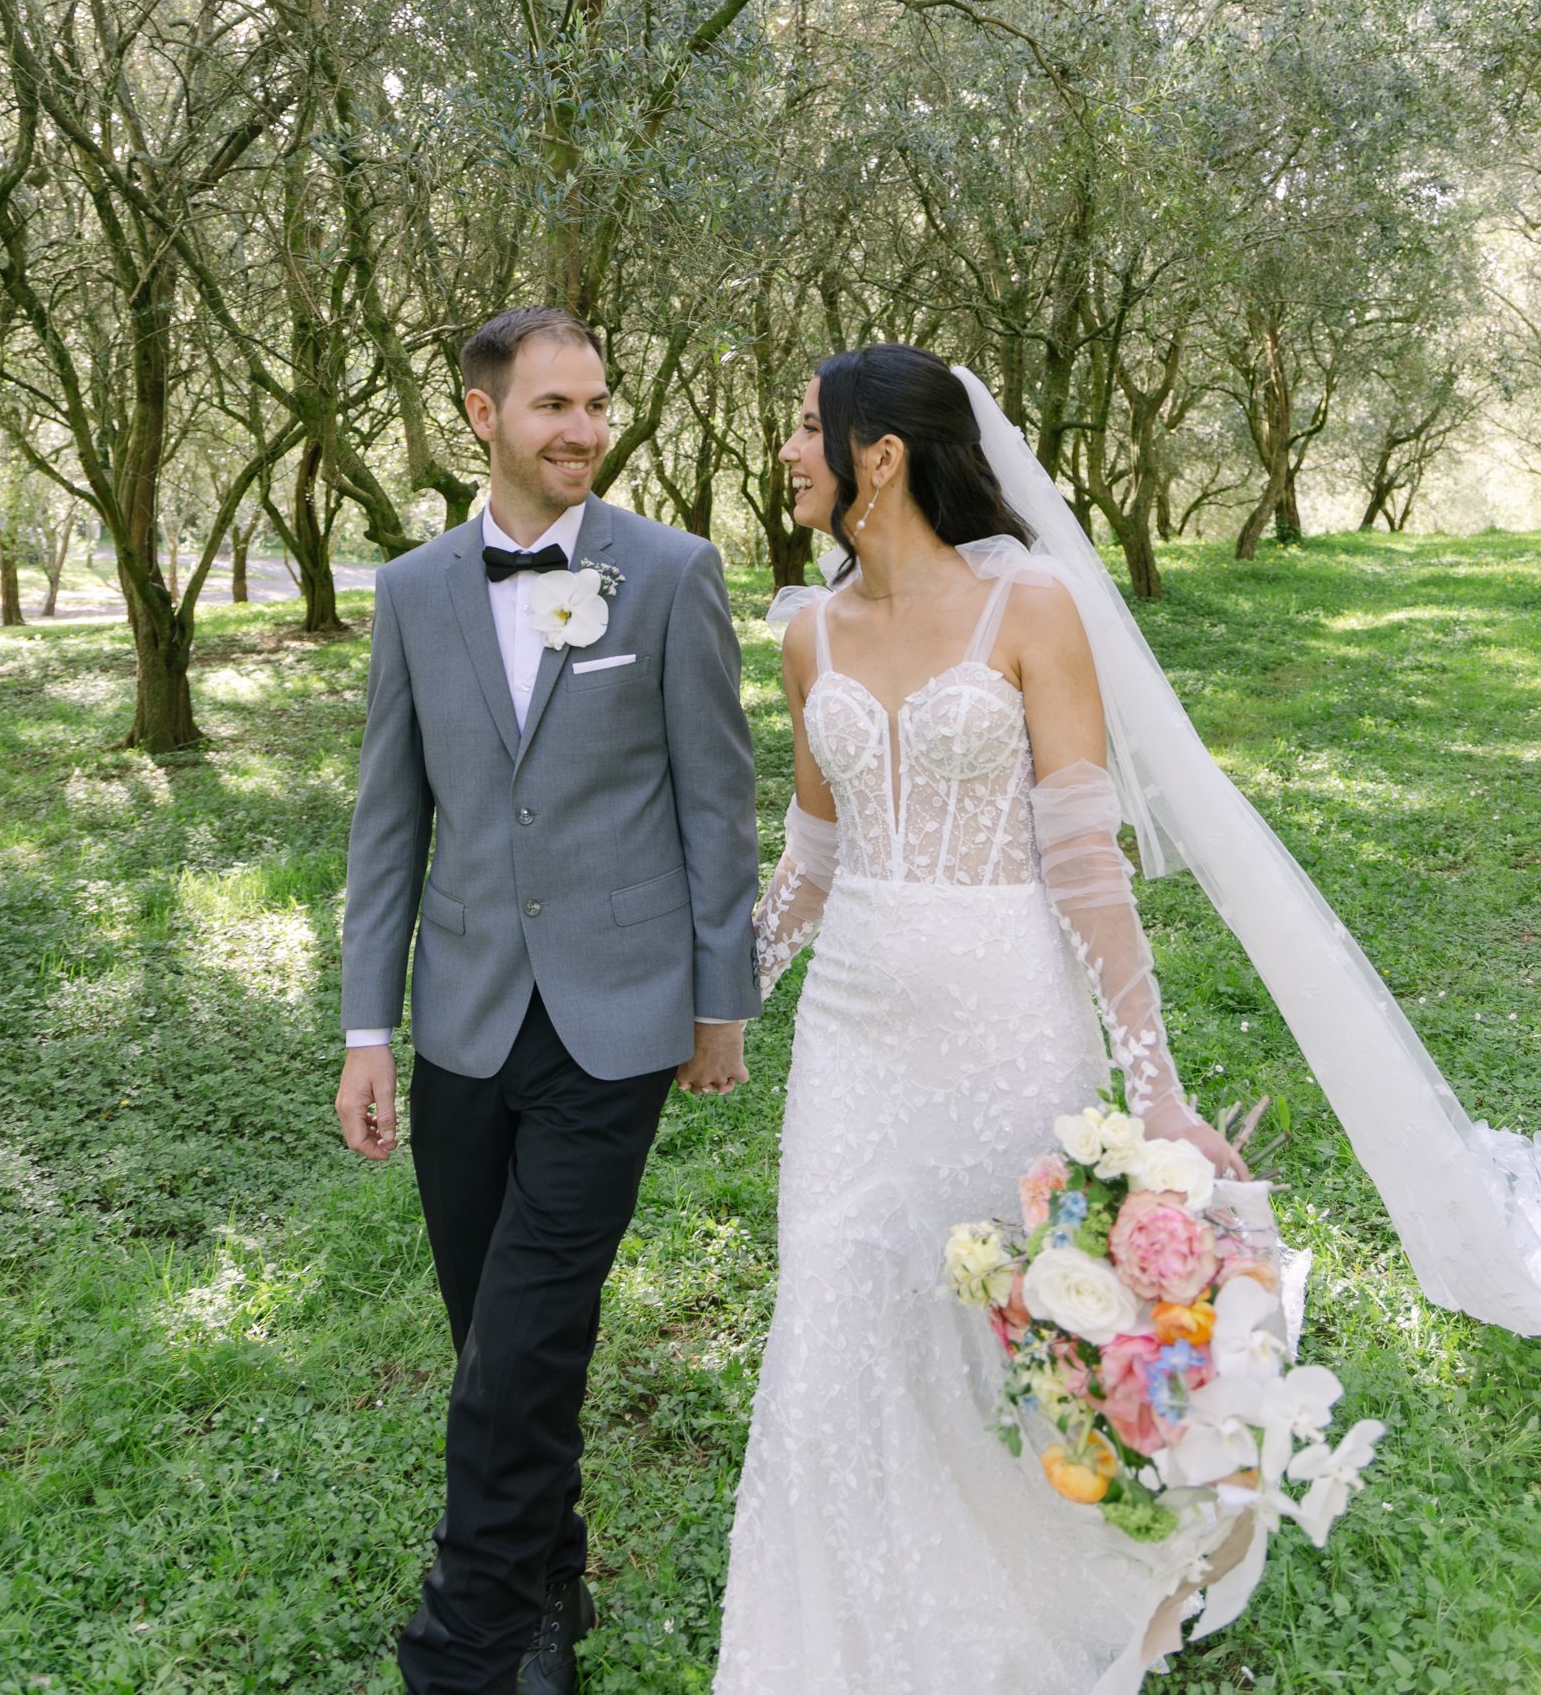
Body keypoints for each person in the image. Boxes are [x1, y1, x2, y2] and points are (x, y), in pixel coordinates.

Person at [716, 343, 1541, 1695]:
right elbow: (811, 853)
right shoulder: (808, 632)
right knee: (841, 1294)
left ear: (880, 456)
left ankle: (1062, 1580)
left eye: (807, 431)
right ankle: (845, 1630)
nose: (786, 454)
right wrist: (722, 1000)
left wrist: (1154, 1093)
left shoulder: (1031, 608)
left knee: (1010, 1310)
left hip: (1008, 1011)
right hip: (855, 1036)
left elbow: (1086, 862)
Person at [337, 305, 762, 1695]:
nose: (583, 430)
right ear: (482, 415)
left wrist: (720, 1003)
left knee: (523, 1336)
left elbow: (717, 797)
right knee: (493, 1337)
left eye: (595, 404)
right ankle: (548, 1586)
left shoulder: (673, 571)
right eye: (552, 408)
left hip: (618, 1016)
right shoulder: (410, 593)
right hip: (462, 1015)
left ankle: (465, 1644)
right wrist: (366, 1033)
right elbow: (387, 825)